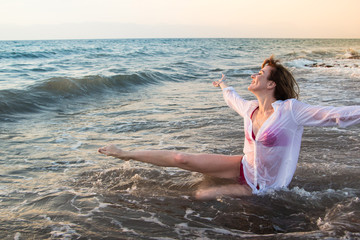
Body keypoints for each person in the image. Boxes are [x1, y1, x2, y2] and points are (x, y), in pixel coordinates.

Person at [98, 56, 360, 200]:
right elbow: (231, 98)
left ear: (271, 85)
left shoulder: (291, 111)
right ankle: (126, 152)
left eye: (261, 73)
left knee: (202, 195)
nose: (253, 75)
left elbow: (337, 116)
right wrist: (223, 85)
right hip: (243, 166)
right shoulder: (250, 109)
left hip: (264, 187)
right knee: (182, 158)